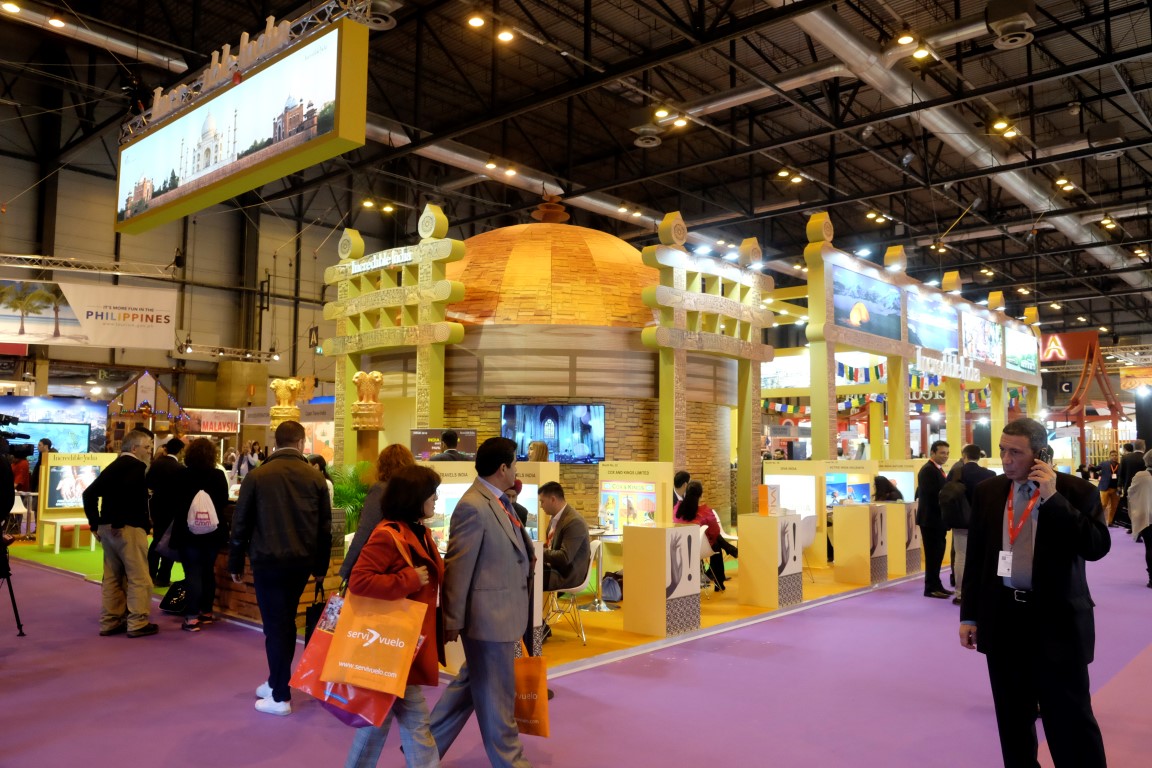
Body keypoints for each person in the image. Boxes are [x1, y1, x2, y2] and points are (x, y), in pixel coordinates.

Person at [959, 418, 1109, 768]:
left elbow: (1096, 547)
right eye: (1002, 451)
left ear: (1041, 454)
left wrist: (1052, 498)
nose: (1006, 460)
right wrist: (970, 616)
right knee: (1012, 719)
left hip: (1057, 622)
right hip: (1004, 620)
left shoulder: (1075, 491)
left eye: (1015, 452)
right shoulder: (988, 492)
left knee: (1070, 719)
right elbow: (977, 558)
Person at [428, 436, 533, 767]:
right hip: (488, 621)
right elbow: (458, 568)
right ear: (502, 468)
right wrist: (452, 621)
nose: (517, 471)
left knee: (469, 688)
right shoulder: (473, 506)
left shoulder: (499, 502)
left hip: (500, 617)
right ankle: (511, 761)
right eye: (515, 464)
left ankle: (422, 749)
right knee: (497, 701)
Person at [343, 465, 445, 768]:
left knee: (388, 721)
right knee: (401, 723)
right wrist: (408, 580)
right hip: (390, 645)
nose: (436, 499)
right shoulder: (388, 535)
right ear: (415, 497)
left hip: (403, 644)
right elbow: (359, 580)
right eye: (432, 493)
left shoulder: (419, 531)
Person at [228, 420, 332, 716]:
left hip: (267, 561)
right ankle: (276, 681)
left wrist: (235, 561)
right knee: (283, 622)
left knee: (276, 625)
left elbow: (240, 523)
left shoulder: (258, 476)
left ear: (275, 443)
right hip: (301, 562)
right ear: (301, 443)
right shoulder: (315, 478)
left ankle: (280, 696)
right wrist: (321, 566)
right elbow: (325, 529)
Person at [82, 428, 158, 638]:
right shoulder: (137, 467)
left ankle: (110, 621)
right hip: (128, 529)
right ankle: (138, 622)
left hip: (108, 530)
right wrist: (118, 520)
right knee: (139, 577)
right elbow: (126, 493)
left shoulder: (113, 466)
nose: (149, 451)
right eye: (146, 447)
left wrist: (95, 523)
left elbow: (89, 494)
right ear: (134, 448)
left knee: (112, 578)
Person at [170, 437, 229, 632]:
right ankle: (207, 612)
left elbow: (175, 503)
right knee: (207, 571)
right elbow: (223, 501)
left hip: (188, 533)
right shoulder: (218, 475)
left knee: (193, 572)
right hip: (212, 532)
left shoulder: (181, 475)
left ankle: (192, 617)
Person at [340, 444, 416, 580]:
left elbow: (366, 529)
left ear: (382, 465)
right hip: (404, 562)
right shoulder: (412, 493)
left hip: (380, 560)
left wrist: (346, 569)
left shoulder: (381, 489)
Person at [950, 444, 995, 606]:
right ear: (979, 456)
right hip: (983, 521)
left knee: (961, 557)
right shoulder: (989, 474)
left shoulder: (956, 473)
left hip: (960, 521)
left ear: (964, 455)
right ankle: (981, 591)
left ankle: (960, 593)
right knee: (982, 557)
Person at [674, 480, 738, 591]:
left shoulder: (677, 510)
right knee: (716, 545)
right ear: (700, 495)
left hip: (680, 547)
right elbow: (715, 532)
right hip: (698, 549)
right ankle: (719, 582)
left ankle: (730, 549)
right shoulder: (704, 513)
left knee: (716, 543)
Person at [145, 437, 184, 587]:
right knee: (169, 543)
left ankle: (150, 573)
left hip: (157, 508)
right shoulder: (180, 468)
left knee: (156, 540)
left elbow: (148, 483)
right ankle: (163, 576)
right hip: (173, 510)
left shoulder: (156, 464)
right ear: (180, 451)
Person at [538, 481, 590, 592]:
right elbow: (551, 547)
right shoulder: (555, 518)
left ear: (553, 499)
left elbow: (565, 557)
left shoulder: (574, 521)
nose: (541, 506)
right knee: (525, 570)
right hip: (555, 569)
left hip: (567, 576)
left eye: (542, 501)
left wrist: (538, 551)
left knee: (527, 578)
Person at [916, 440, 951, 599]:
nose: (945, 456)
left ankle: (937, 585)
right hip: (931, 520)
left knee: (937, 555)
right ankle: (930, 587)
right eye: (942, 453)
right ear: (932, 453)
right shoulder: (928, 470)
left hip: (937, 520)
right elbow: (933, 495)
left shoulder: (937, 469)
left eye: (947, 453)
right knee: (933, 556)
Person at [1126, 449, 1152, 588]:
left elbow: (1131, 492)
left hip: (1147, 517)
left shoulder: (1141, 476)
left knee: (1150, 548)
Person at [1097, 449, 1120, 526]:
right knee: (1103, 505)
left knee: (1114, 507)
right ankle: (1097, 520)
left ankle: (1110, 522)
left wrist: (1120, 486)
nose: (1114, 457)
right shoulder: (1104, 464)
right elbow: (1097, 468)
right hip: (1104, 488)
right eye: (1112, 455)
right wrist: (1091, 468)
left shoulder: (1120, 465)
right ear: (1109, 456)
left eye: (1116, 455)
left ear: (1117, 456)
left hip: (1115, 489)